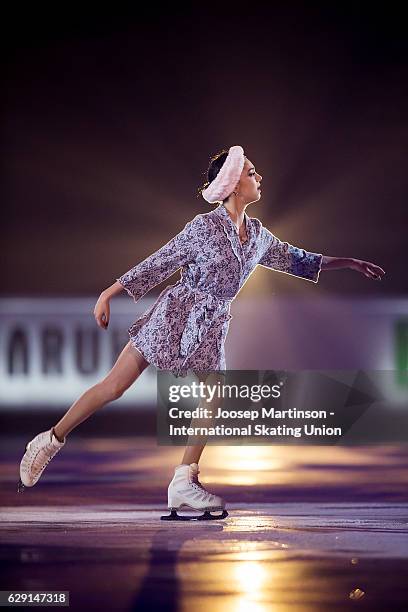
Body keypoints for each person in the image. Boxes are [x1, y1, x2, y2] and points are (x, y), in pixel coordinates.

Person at [18, 145, 386, 520]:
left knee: (216, 393)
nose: (259, 178)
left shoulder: (258, 236)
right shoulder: (203, 226)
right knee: (115, 386)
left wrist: (350, 262)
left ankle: (183, 481)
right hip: (176, 315)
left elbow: (297, 258)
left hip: (211, 325)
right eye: (251, 173)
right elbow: (162, 259)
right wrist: (110, 292)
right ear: (232, 185)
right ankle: (49, 440)